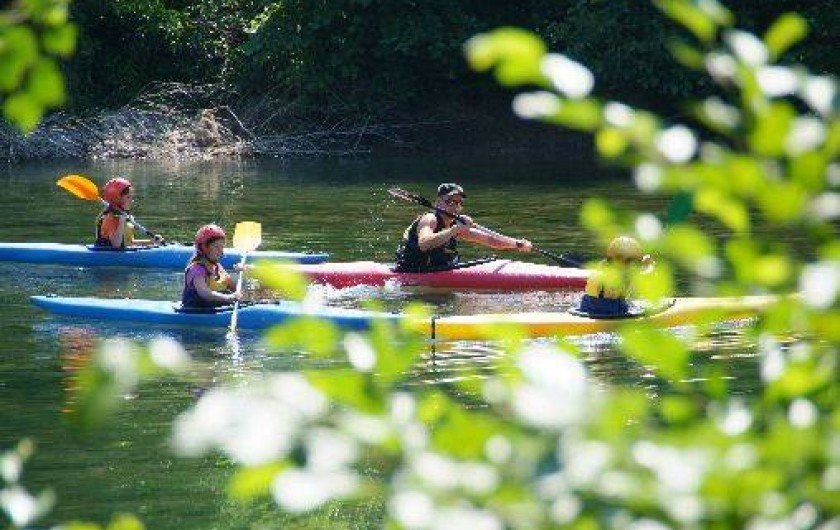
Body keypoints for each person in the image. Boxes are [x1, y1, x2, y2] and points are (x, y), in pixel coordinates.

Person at [395, 182, 533, 271]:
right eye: (450, 201)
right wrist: (455, 229)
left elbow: (491, 240)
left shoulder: (455, 225)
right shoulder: (429, 219)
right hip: (412, 270)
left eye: (459, 203)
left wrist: (517, 244)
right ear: (438, 203)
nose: (455, 206)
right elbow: (424, 244)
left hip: (438, 269)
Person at [577, 235, 655, 317]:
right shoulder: (622, 276)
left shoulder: (602, 268)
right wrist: (650, 266)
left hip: (588, 308)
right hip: (611, 313)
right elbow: (645, 276)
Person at [181, 224, 242, 309]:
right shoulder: (196, 269)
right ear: (204, 248)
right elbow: (205, 293)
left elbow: (237, 289)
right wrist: (228, 298)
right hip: (196, 311)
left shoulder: (218, 268)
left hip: (214, 309)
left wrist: (244, 271)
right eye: (216, 247)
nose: (220, 251)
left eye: (222, 247)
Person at [94, 177, 160, 248]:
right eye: (128, 197)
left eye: (132, 197)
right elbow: (116, 246)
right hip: (108, 257)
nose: (132, 200)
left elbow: (129, 242)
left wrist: (151, 242)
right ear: (117, 199)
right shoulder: (110, 218)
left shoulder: (127, 216)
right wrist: (121, 222)